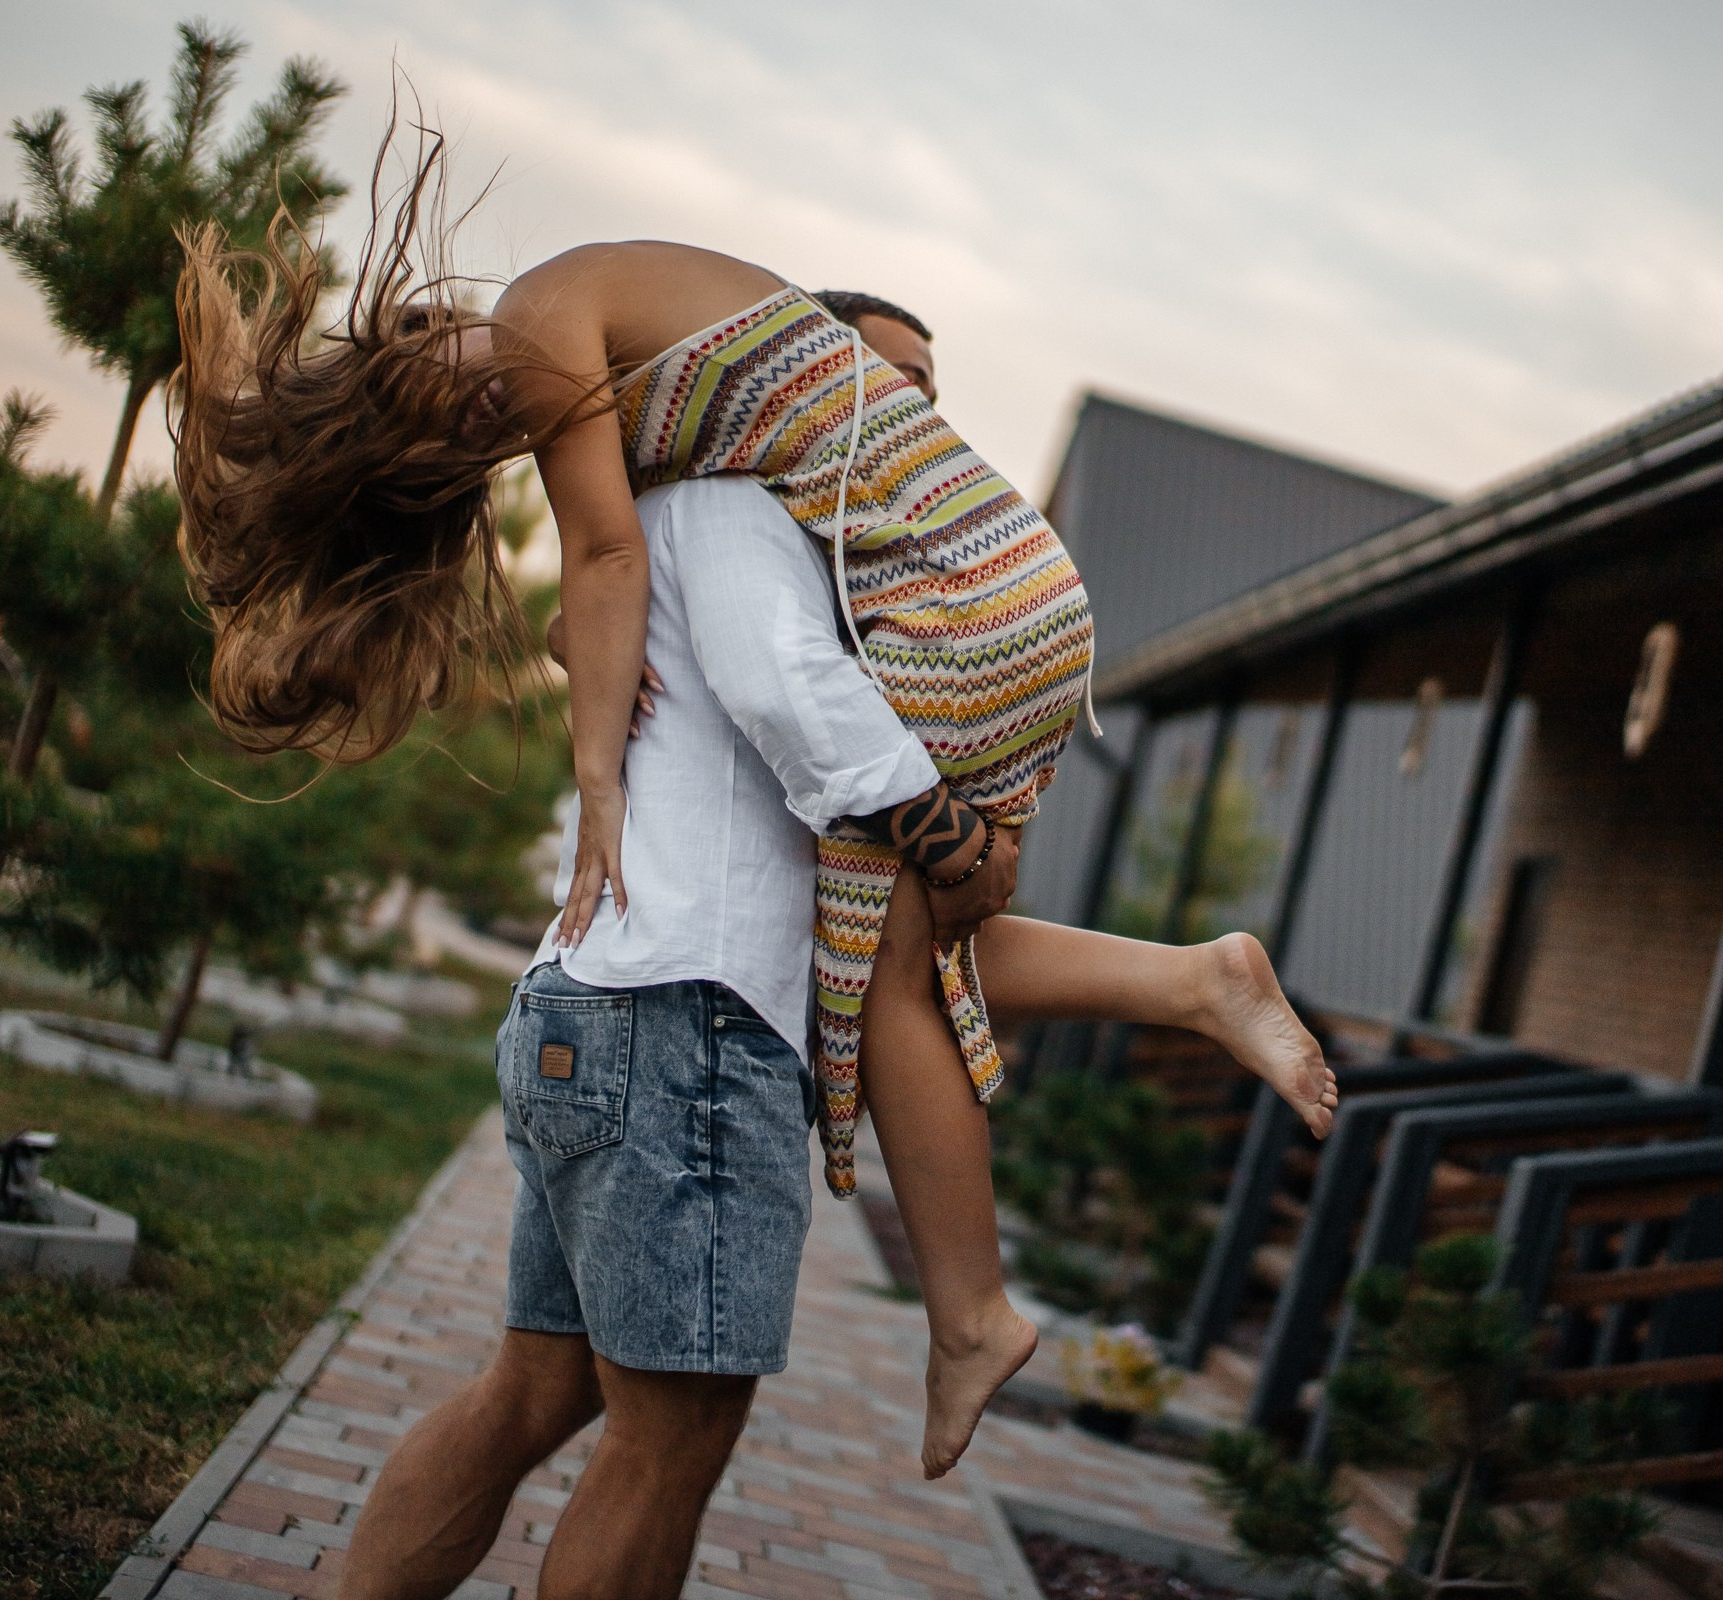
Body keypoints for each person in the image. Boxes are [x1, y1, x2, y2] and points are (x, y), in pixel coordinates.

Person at [172, 145, 1333, 1535]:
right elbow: (744, 663)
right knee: (667, 1418)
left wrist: (602, 688)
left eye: (924, 403)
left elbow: (626, 588)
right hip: (679, 1027)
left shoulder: (695, 468)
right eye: (889, 386)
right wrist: (928, 817)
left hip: (595, 1012)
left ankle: (1176, 1005)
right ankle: (981, 1299)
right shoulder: (720, 497)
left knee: (534, 1395)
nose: (911, 425)